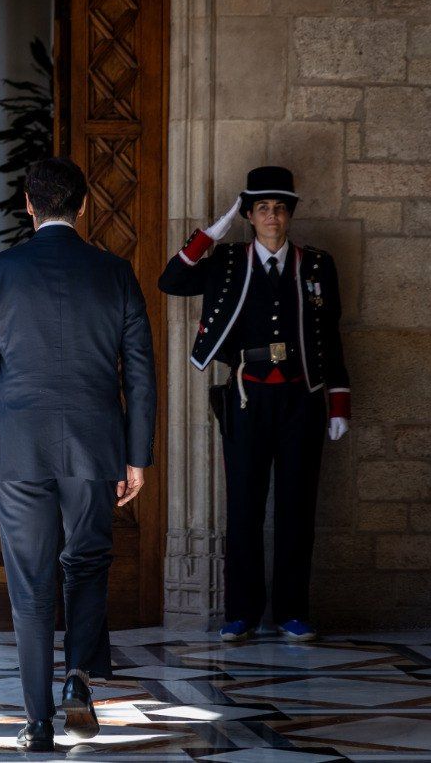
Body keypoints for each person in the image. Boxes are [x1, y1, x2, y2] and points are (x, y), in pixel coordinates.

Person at [0, 157, 156, 753]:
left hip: (16, 446)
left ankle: (38, 721)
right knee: (88, 563)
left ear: (27, 204)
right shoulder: (116, 273)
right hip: (97, 446)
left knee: (31, 581)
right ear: (84, 206)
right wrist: (137, 455)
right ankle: (79, 678)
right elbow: (140, 375)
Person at [159, 165, 350, 644]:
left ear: (289, 216)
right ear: (249, 215)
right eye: (262, 208)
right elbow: (171, 281)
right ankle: (240, 612)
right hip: (246, 396)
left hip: (302, 399)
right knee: (243, 506)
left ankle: (291, 612)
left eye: (280, 208)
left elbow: (330, 337)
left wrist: (339, 403)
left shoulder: (317, 264)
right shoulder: (226, 261)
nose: (272, 216)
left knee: (296, 507)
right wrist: (208, 235)